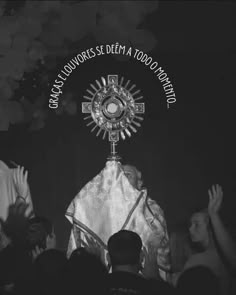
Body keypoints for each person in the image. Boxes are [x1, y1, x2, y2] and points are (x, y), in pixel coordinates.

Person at [66, 161, 170, 281]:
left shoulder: (152, 210)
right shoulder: (95, 211)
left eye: (128, 175)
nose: (122, 179)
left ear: (140, 183)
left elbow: (161, 247)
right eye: (119, 176)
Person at [175, 184, 233, 295]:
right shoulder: (220, 257)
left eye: (196, 224)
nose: (190, 229)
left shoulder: (199, 260)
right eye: (190, 224)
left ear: (212, 228)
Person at [107, 230, 173, 295]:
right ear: (141, 256)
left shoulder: (99, 287)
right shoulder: (152, 289)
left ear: (108, 258)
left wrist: (100, 272)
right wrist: (155, 278)